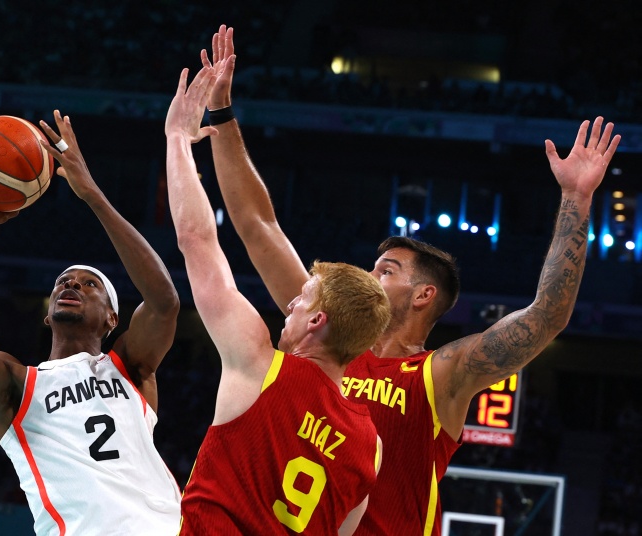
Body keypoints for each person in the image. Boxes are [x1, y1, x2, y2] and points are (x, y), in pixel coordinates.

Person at [200, 24, 621, 535]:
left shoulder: (441, 375)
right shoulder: (326, 326)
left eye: (387, 270)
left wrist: (576, 199)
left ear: (425, 294)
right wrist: (221, 113)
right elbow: (257, 225)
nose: (368, 275)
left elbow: (547, 316)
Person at [0, 110, 182, 536]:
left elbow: (165, 302)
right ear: (47, 314)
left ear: (112, 318)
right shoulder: (16, 384)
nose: (72, 284)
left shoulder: (131, 368)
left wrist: (93, 195)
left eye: (90, 284)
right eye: (63, 281)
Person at [165, 65, 391, 535]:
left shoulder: (258, 362)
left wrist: (178, 140)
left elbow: (197, 239)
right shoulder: (370, 446)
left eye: (302, 300)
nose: (290, 305)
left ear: (318, 321)